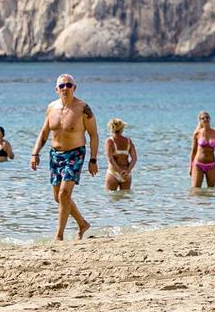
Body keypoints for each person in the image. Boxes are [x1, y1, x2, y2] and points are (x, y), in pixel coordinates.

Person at [29, 71, 99, 241]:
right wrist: (35, 152)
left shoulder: (83, 108)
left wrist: (93, 159)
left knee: (64, 194)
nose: (65, 88)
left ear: (74, 88)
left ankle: (59, 236)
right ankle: (82, 224)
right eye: (62, 85)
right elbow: (44, 132)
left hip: (75, 153)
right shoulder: (51, 108)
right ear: (56, 89)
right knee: (58, 197)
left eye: (69, 85)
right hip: (55, 155)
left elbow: (93, 135)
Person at [188, 111, 215, 190]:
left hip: (211, 165)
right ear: (200, 121)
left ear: (210, 119)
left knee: (211, 191)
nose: (205, 119)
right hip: (198, 164)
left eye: (207, 117)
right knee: (196, 190)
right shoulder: (197, 133)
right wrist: (190, 167)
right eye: (203, 118)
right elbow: (193, 151)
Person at [104, 119, 136, 191]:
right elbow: (134, 158)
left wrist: (120, 171)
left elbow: (110, 159)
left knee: (110, 199)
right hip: (126, 173)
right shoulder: (128, 141)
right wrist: (127, 171)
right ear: (122, 128)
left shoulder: (109, 141)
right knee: (125, 199)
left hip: (113, 172)